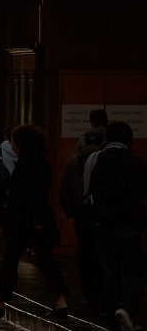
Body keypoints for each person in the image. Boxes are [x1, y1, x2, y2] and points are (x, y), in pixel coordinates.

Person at [0, 125, 68, 320]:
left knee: (11, 260)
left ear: (22, 143)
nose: (12, 145)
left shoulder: (27, 165)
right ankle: (60, 301)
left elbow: (32, 194)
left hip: (24, 220)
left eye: (14, 141)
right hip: (32, 219)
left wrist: (36, 220)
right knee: (45, 260)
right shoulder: (39, 162)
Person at [82, 121, 147, 331]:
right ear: (129, 140)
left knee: (109, 278)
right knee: (136, 274)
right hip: (129, 227)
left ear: (106, 139)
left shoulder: (94, 159)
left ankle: (113, 330)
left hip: (103, 227)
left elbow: (86, 193)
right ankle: (126, 307)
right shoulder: (135, 161)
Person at [59, 129, 104, 307]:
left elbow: (64, 189)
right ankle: (101, 291)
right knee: (101, 253)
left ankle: (87, 291)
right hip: (101, 214)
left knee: (85, 252)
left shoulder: (73, 161)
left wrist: (71, 211)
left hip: (82, 214)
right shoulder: (104, 159)